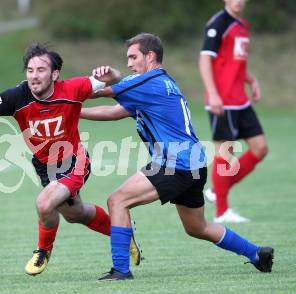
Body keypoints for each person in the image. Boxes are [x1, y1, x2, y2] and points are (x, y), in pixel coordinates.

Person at [81, 33, 274, 281]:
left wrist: (63, 96)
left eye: (133, 57)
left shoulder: (148, 83)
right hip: (193, 162)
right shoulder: (160, 82)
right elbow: (113, 111)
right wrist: (76, 115)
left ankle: (121, 270)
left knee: (117, 201)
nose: (129, 63)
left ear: (150, 56)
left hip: (175, 163)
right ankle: (257, 254)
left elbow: (97, 92)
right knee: (197, 227)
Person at [0, 43, 141, 276]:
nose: (34, 76)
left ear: (55, 74)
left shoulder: (73, 88)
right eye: (30, 70)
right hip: (46, 167)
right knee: (75, 215)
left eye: (41, 70)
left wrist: (112, 73)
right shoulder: (16, 97)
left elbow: (117, 80)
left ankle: (42, 251)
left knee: (45, 203)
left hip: (74, 161)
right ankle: (123, 233)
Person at [199, 0, 268, 223]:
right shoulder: (219, 23)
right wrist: (213, 93)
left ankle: (217, 190)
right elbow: (204, 60)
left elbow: (233, 61)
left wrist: (252, 79)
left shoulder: (241, 25)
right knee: (225, 154)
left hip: (240, 98)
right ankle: (221, 212)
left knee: (260, 148)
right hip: (223, 99)